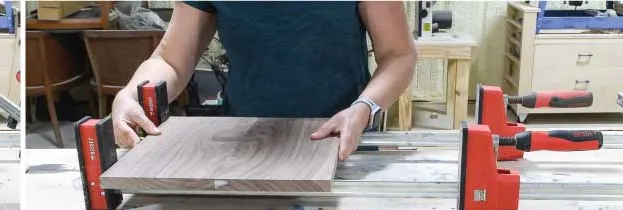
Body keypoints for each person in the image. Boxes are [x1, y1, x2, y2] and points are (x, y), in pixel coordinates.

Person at [111, 1, 418, 160]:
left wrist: (365, 107)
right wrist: (134, 94)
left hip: (342, 144)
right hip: (243, 147)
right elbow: (171, 60)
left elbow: (398, 55)